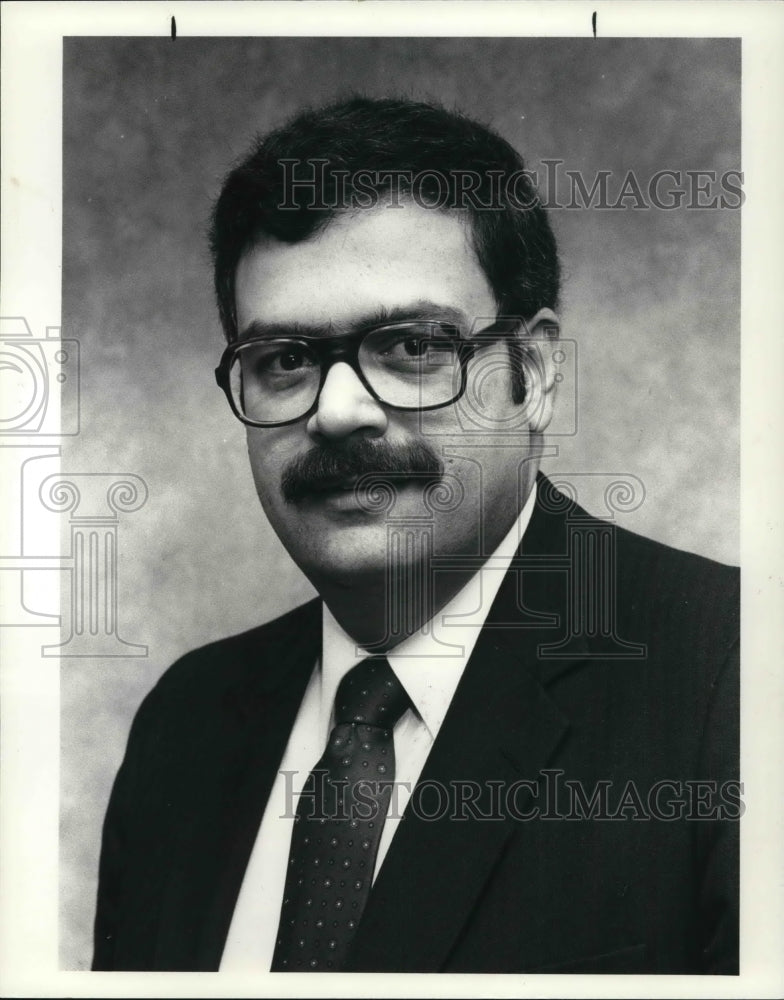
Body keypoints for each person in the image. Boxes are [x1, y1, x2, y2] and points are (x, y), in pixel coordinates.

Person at [92, 97, 739, 974]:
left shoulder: (732, 678)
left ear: (535, 374)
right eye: (284, 360)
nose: (339, 411)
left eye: (409, 347)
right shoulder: (187, 724)